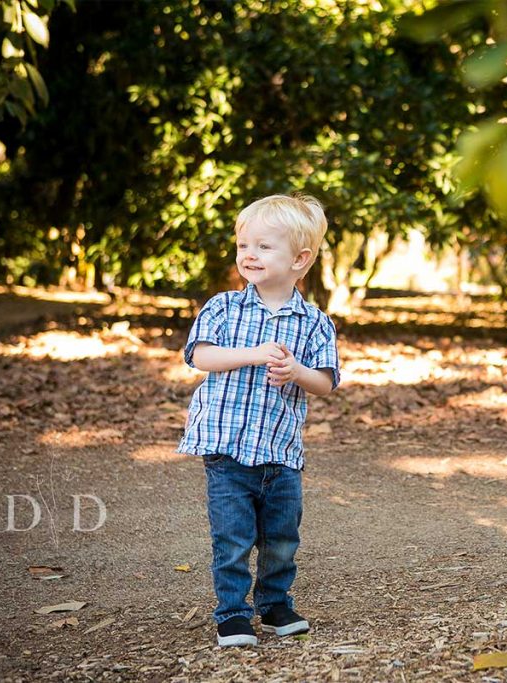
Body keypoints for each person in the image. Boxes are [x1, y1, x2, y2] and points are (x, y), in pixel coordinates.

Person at [177, 194, 340, 647]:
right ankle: (232, 613)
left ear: (299, 260)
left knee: (281, 538)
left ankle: (274, 605)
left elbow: (325, 382)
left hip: (280, 452)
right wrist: (252, 354)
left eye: (264, 247)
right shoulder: (223, 308)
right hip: (227, 448)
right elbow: (200, 356)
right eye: (244, 245)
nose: (249, 254)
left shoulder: (314, 323)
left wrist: (297, 372)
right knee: (232, 540)